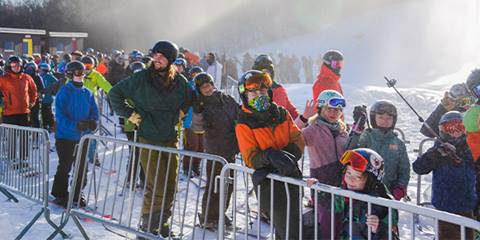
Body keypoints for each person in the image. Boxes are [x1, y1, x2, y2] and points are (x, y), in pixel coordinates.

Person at [109, 40, 193, 238]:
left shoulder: (179, 81)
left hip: (170, 138)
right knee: (155, 186)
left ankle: (162, 225)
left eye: (162, 56)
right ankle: (147, 229)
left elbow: (190, 96)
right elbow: (115, 94)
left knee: (170, 186)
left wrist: (182, 111)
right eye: (155, 54)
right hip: (149, 138)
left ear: (171, 60)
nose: (157, 59)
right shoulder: (141, 79)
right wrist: (129, 114)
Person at [235, 70, 304, 240]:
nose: (259, 94)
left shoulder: (281, 113)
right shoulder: (244, 122)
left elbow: (298, 139)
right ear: (245, 95)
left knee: (294, 225)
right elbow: (250, 158)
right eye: (254, 91)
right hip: (269, 183)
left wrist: (288, 155)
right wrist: (270, 156)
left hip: (291, 176)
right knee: (286, 229)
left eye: (263, 90)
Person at [306, 148, 398, 239]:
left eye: (357, 177)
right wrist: (318, 188)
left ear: (371, 181)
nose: (350, 180)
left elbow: (391, 235)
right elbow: (331, 204)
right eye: (348, 173)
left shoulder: (381, 204)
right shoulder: (347, 193)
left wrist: (378, 228)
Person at [413, 111, 477, 239]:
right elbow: (418, 167)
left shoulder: (468, 148)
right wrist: (436, 154)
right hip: (446, 206)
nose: (455, 131)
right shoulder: (438, 150)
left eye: (459, 127)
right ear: (443, 130)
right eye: (450, 128)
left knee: (468, 236)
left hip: (467, 205)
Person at [192, 72, 240, 229]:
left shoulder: (226, 98)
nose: (207, 89)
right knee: (215, 184)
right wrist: (198, 111)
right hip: (216, 150)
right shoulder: (201, 104)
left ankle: (220, 213)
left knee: (229, 184)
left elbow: (239, 113)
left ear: (213, 84)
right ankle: (208, 216)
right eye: (203, 87)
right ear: (199, 90)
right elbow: (197, 129)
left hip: (231, 147)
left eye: (208, 85)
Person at [51, 61, 98, 208]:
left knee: (82, 166)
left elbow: (94, 112)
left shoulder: (87, 93)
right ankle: (60, 194)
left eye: (83, 73)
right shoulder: (64, 92)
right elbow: (60, 116)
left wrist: (92, 122)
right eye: (78, 73)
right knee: (65, 166)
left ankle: (78, 192)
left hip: (82, 137)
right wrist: (75, 125)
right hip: (65, 136)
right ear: (70, 74)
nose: (81, 76)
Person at [347, 100, 410, 201]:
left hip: (387, 192)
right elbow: (350, 151)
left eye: (389, 118)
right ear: (373, 118)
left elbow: (404, 169)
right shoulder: (366, 137)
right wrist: (357, 129)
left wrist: (401, 187)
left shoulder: (398, 144)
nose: (385, 121)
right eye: (380, 117)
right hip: (362, 190)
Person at [296, 90, 347, 186]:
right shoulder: (313, 130)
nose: (333, 113)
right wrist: (303, 119)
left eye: (337, 110)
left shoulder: (342, 131)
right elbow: (292, 137)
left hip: (342, 183)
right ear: (321, 110)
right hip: (321, 182)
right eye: (329, 109)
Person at [0, 56, 38, 164]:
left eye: (18, 65)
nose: (16, 67)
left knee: (24, 137)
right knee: (12, 138)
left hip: (24, 112)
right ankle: (12, 158)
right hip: (9, 112)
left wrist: (31, 102)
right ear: (9, 66)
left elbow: (33, 91)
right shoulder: (4, 78)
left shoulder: (26, 77)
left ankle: (23, 158)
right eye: (13, 65)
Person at [252, 54, 299, 119]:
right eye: (262, 72)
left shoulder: (279, 89)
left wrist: (301, 119)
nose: (265, 75)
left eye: (267, 72)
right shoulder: (252, 92)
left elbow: (291, 110)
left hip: (284, 126)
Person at [182, 66, 204, 176]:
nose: (196, 77)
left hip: (202, 121)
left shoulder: (204, 87)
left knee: (201, 146)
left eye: (198, 75)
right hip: (190, 120)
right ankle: (187, 167)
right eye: (194, 75)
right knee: (192, 145)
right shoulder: (189, 86)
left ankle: (196, 166)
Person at [24, 62, 45, 128]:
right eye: (28, 68)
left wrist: (36, 98)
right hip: (25, 100)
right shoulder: (24, 77)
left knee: (35, 117)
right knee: (25, 118)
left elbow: (41, 90)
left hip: (35, 100)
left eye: (31, 69)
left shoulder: (37, 77)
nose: (29, 70)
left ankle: (36, 133)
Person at [39, 63, 59, 132]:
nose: (39, 71)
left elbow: (57, 83)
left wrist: (51, 90)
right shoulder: (40, 77)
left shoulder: (49, 77)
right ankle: (45, 125)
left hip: (48, 99)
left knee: (48, 112)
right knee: (44, 113)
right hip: (43, 99)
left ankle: (51, 125)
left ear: (44, 70)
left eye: (40, 70)